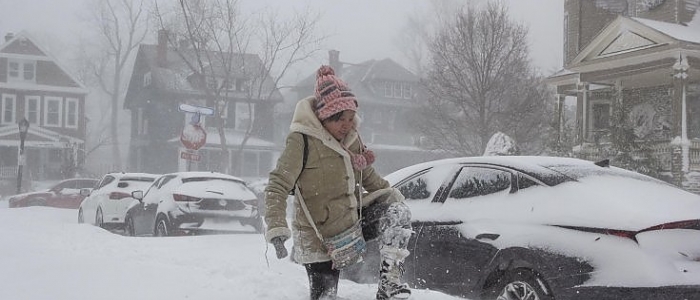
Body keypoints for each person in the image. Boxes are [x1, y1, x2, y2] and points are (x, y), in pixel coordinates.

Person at [264, 65, 413, 300]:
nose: (347, 124)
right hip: (318, 235)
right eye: (339, 119)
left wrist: (396, 199)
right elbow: (277, 184)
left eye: (351, 117)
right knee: (325, 296)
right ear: (324, 116)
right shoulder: (301, 141)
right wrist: (276, 228)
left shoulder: (351, 140)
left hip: (351, 224)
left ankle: (390, 284)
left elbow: (370, 178)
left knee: (395, 212)